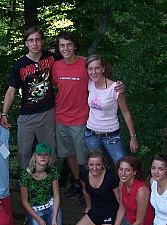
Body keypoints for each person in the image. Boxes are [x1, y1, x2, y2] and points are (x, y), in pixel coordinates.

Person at [52, 33, 125, 198]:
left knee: (84, 157)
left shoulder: (85, 64)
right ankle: (79, 182)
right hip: (60, 118)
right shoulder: (55, 66)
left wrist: (117, 86)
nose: (66, 48)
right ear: (58, 48)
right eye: (62, 45)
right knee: (68, 153)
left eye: (69, 44)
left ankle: (91, 189)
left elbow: (99, 78)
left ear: (74, 45)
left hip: (80, 119)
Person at [2, 26, 57, 169]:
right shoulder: (19, 65)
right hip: (27, 116)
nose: (35, 43)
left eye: (38, 40)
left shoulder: (51, 57)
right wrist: (4, 113)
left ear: (43, 41)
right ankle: (26, 186)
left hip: (48, 113)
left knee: (49, 151)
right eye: (31, 40)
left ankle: (49, 184)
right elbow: (11, 90)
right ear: (26, 43)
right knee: (24, 152)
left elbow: (71, 56)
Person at [65, 151, 119, 225]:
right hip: (94, 213)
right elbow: (85, 191)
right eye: (91, 165)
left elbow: (121, 202)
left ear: (103, 165)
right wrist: (88, 206)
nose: (94, 168)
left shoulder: (111, 177)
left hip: (109, 217)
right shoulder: (84, 173)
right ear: (87, 165)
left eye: (98, 165)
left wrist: (117, 224)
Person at [84, 55, 138, 164]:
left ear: (103, 69)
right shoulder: (89, 83)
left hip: (112, 137)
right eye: (90, 69)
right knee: (96, 168)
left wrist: (133, 137)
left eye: (97, 68)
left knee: (122, 167)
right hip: (91, 135)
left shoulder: (115, 88)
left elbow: (126, 112)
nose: (94, 72)